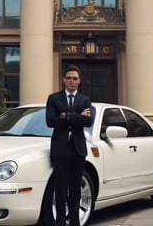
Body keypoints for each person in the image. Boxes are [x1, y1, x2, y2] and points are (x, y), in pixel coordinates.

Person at [46, 65, 93, 226]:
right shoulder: (54, 98)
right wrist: (77, 117)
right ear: (64, 79)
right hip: (60, 150)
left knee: (75, 191)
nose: (71, 81)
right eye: (68, 78)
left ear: (79, 81)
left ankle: (75, 223)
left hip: (78, 150)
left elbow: (88, 121)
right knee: (60, 190)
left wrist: (66, 116)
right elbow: (50, 121)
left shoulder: (85, 100)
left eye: (74, 78)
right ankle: (60, 223)